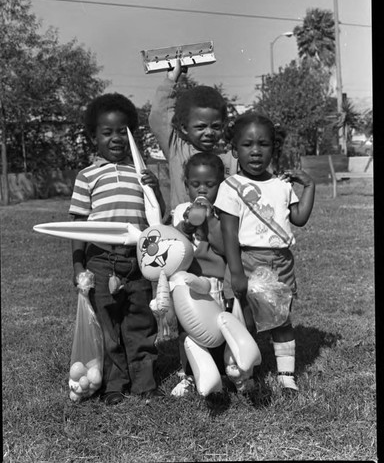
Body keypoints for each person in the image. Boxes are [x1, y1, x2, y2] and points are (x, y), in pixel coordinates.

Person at [69, 93, 166, 405]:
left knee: (140, 321)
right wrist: (78, 265)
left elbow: (157, 217)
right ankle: (114, 384)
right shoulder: (87, 177)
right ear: (93, 136)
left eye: (121, 131)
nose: (114, 138)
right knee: (109, 325)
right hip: (100, 260)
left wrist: (155, 188)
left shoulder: (142, 173)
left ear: (132, 134)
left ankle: (145, 382)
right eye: (106, 132)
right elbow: (78, 226)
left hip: (138, 259)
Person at [214, 112, 315, 393]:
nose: (256, 151)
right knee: (243, 321)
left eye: (264, 144)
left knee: (281, 319)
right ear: (235, 150)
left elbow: (299, 217)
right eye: (247, 145)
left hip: (280, 262)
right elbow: (229, 234)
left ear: (274, 148)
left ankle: (286, 376)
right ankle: (244, 374)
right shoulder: (230, 187)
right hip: (246, 260)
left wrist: (309, 186)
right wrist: (236, 272)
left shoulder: (282, 185)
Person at [171, 152, 228, 396]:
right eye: (195, 185)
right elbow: (174, 244)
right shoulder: (182, 210)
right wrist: (187, 224)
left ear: (221, 185)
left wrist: (211, 221)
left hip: (216, 282)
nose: (201, 190)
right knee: (187, 329)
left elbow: (224, 247)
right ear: (186, 186)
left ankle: (223, 369)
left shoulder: (223, 212)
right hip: (188, 283)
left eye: (209, 184)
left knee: (218, 325)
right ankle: (189, 375)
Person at [148, 60, 238, 214]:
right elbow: (159, 116)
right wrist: (171, 80)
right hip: (183, 231)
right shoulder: (177, 149)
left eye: (216, 126)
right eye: (201, 127)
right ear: (184, 127)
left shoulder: (230, 158)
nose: (209, 132)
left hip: (218, 233)